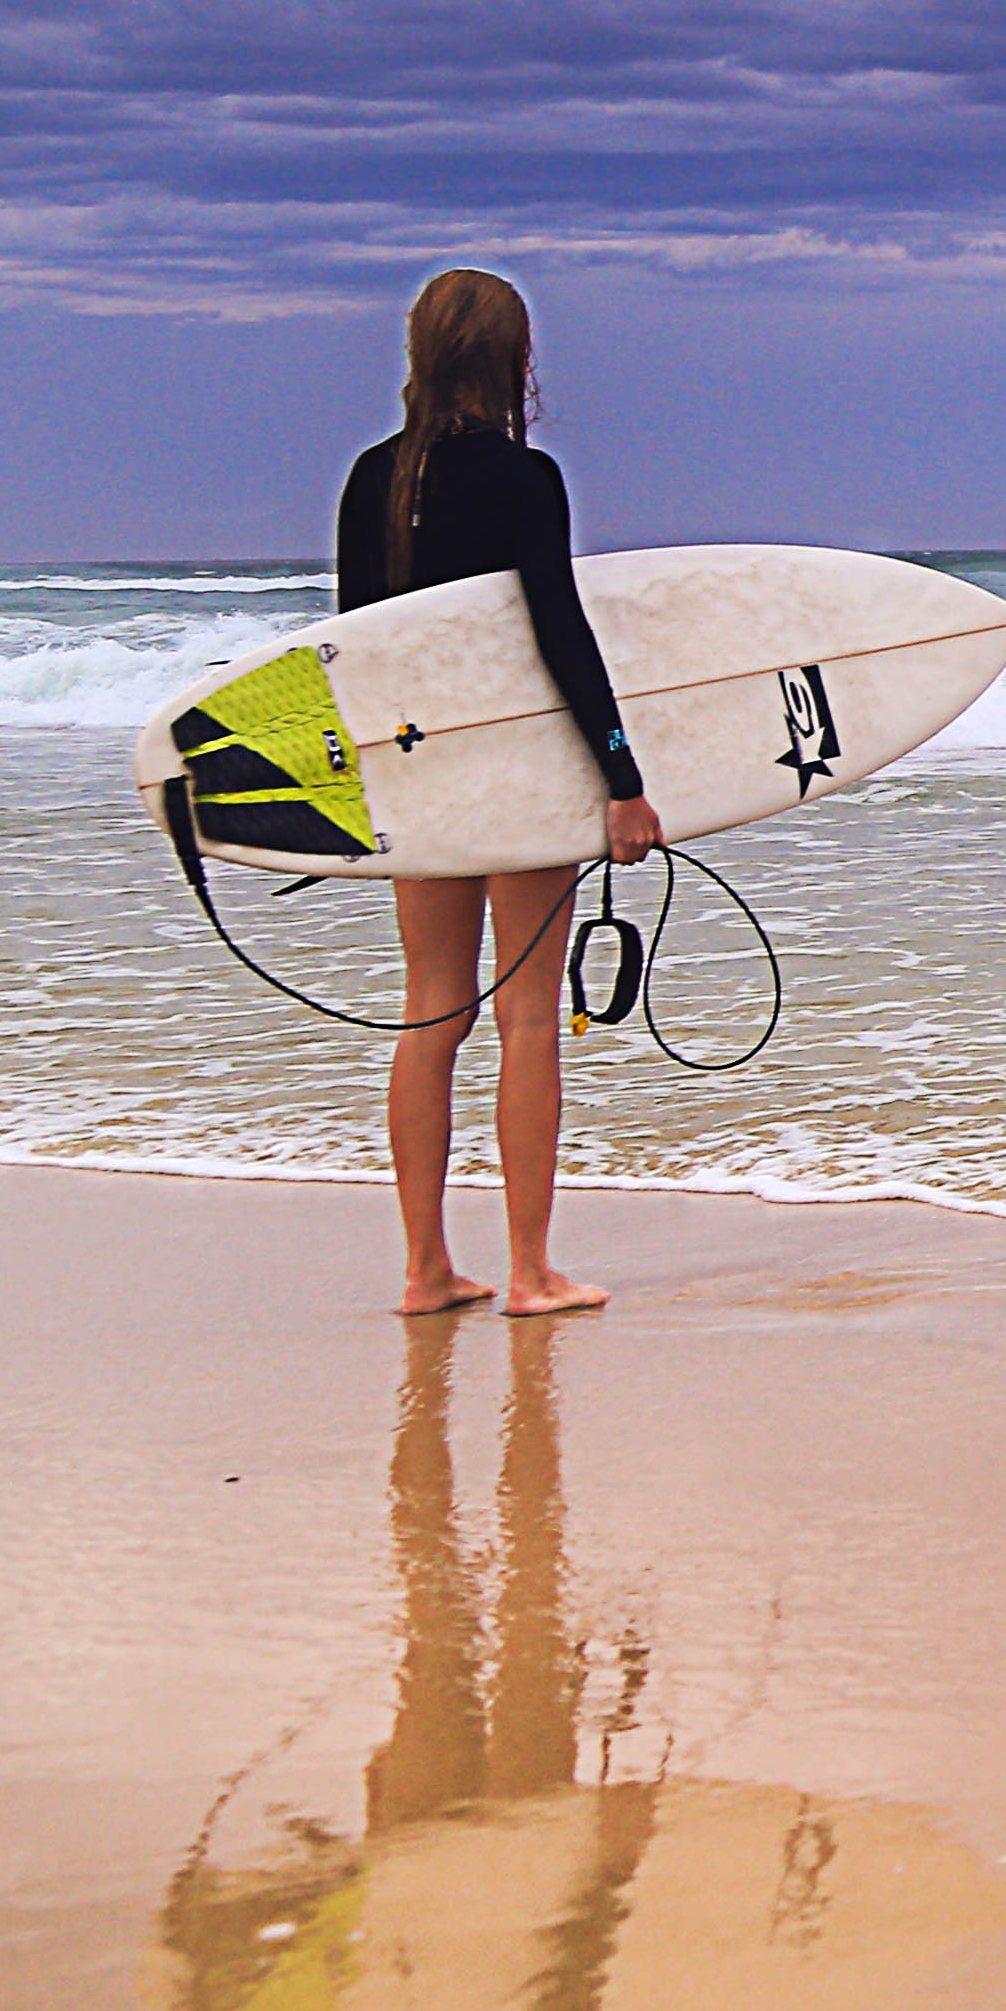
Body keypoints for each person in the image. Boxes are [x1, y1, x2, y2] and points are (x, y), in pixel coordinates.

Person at [340, 269, 662, 1318]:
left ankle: (423, 1270)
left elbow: (350, 653)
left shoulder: (372, 479)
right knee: (525, 1019)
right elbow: (560, 636)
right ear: (514, 360)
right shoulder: (526, 478)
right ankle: (529, 1273)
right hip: (519, 773)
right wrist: (622, 780)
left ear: (419, 353)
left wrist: (367, 785)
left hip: (418, 776)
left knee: (430, 1013)